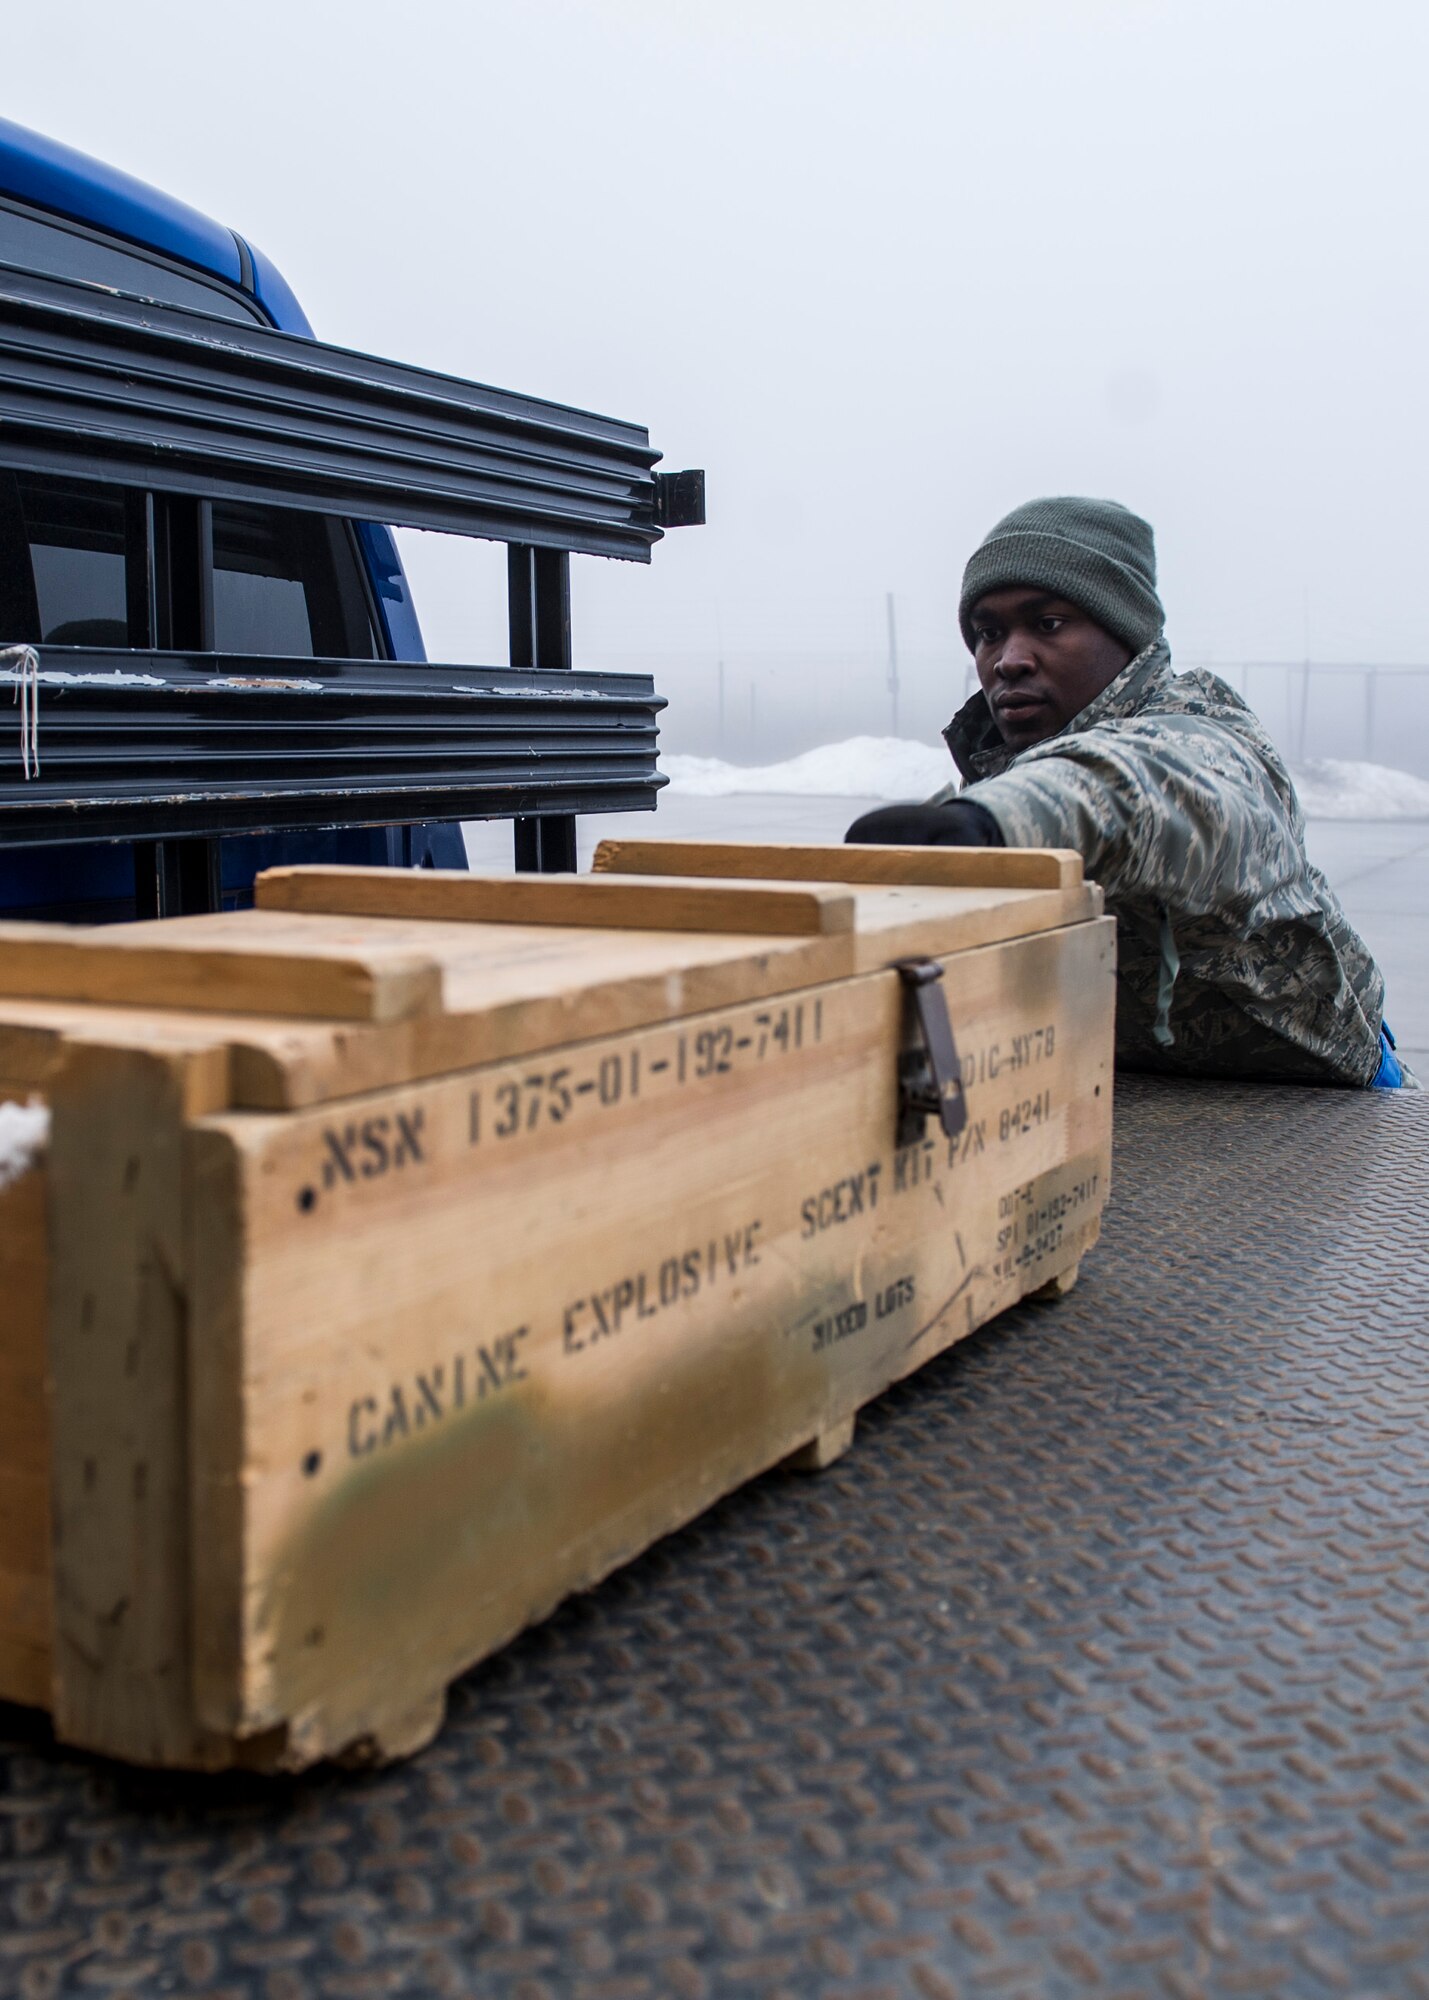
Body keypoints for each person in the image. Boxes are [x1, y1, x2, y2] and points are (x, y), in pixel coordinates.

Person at [847, 496, 1410, 1088]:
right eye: (989, 633)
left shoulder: (1205, 736)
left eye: (1048, 624)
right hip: (1138, 1094)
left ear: (1123, 635)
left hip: (1331, 1106)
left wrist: (996, 820)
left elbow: (1142, 787)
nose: (1008, 660)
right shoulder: (999, 772)